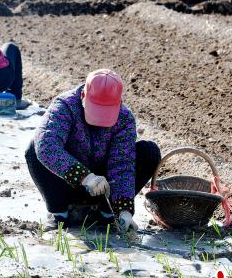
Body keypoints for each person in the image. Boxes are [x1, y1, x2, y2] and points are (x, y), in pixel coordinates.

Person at [25, 69, 161, 233]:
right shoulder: (65, 106)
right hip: (66, 182)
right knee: (34, 147)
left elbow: (122, 164)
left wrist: (124, 210)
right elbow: (47, 145)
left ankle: (107, 213)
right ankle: (59, 213)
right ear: (83, 96)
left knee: (149, 151)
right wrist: (84, 176)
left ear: (118, 104)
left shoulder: (124, 118)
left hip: (103, 188)